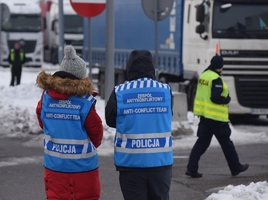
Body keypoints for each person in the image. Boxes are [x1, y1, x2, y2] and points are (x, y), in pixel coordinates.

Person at [36, 45, 103, 200]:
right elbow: (96, 133)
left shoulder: (46, 98)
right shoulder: (84, 102)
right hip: (84, 169)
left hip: (54, 167)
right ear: (80, 78)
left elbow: (42, 122)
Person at [105, 49, 174, 200]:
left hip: (131, 165)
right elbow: (169, 114)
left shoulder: (120, 92)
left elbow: (110, 120)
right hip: (160, 163)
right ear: (151, 67)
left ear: (129, 67)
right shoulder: (165, 90)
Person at [185, 54, 249, 178]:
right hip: (216, 118)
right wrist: (227, 99)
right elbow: (215, 97)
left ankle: (191, 168)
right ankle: (236, 167)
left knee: (201, 143)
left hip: (204, 117)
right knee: (226, 144)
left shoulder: (204, 75)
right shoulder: (216, 79)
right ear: (220, 67)